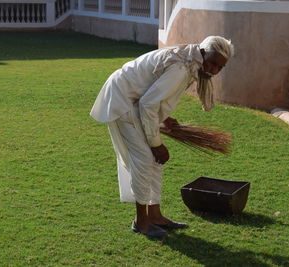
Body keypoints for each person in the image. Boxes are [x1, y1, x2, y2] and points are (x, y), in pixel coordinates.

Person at [90, 36, 234, 238]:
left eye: (220, 67)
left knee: (155, 161)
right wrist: (156, 144)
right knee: (146, 159)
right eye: (212, 62)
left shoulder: (190, 61)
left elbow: (153, 95)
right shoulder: (181, 68)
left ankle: (155, 215)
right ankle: (141, 222)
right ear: (203, 52)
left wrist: (166, 120)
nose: (214, 70)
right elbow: (148, 104)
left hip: (135, 101)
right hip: (123, 101)